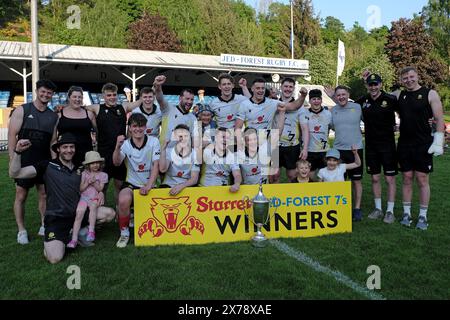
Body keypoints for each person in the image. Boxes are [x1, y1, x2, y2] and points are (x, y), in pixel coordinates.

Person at [9, 133, 115, 263]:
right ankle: (60, 239)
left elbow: (94, 181)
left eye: (72, 147)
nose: (69, 150)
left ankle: (79, 232)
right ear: (58, 149)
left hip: (78, 213)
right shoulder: (47, 165)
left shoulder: (80, 168)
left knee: (109, 214)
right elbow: (14, 173)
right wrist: (17, 152)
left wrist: (101, 192)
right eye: (65, 147)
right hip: (57, 218)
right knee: (55, 258)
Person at [392, 66, 445, 230]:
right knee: (407, 178)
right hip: (404, 144)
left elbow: (439, 118)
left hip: (423, 144)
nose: (409, 80)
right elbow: (378, 97)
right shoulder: (399, 95)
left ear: (417, 76)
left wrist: (438, 140)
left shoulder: (430, 93)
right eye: (405, 78)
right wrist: (367, 83)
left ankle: (423, 216)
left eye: (411, 76)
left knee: (422, 179)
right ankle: (407, 214)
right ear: (401, 80)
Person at [8, 79, 59, 244]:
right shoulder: (23, 110)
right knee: (21, 195)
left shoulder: (53, 116)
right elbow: (11, 136)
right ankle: (21, 230)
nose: (45, 95)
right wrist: (12, 158)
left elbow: (52, 142)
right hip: (24, 160)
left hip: (43, 160)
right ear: (37, 91)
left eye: (49, 93)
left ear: (52, 95)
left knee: (43, 194)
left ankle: (44, 224)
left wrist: (54, 163)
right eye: (43, 91)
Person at [85, 82, 142, 203]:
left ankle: (118, 211)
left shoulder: (123, 107)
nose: (112, 97)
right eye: (109, 95)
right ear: (103, 96)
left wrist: (154, 88)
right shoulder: (97, 108)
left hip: (121, 152)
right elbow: (80, 108)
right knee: (102, 186)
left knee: (119, 185)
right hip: (103, 153)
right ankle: (100, 210)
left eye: (114, 94)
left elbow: (139, 102)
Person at [112, 113, 161, 248]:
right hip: (132, 183)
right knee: (123, 200)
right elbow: (116, 163)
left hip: (149, 183)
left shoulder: (154, 141)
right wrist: (117, 147)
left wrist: (149, 185)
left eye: (141, 126)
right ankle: (124, 232)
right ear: (130, 128)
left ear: (145, 127)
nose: (138, 129)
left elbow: (156, 166)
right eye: (134, 126)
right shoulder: (126, 144)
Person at [357, 73, 398, 224]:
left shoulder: (390, 99)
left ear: (381, 84)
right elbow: (347, 106)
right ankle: (378, 209)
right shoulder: (363, 100)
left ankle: (390, 211)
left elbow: (406, 111)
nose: (373, 87)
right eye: (370, 84)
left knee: (389, 178)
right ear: (367, 86)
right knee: (374, 178)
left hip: (387, 146)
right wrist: (334, 96)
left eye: (376, 84)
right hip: (371, 146)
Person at [330, 86, 365, 221]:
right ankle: (342, 207)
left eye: (343, 94)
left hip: (355, 150)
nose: (341, 97)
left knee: (356, 180)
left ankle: (356, 208)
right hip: (339, 150)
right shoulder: (333, 111)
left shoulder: (357, 107)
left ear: (348, 94)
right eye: (338, 95)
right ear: (336, 97)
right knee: (340, 181)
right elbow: (330, 127)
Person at [270, 77, 309, 183]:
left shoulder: (300, 107)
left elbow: (305, 129)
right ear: (281, 87)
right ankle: (274, 198)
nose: (288, 89)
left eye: (291, 87)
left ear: (293, 89)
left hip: (292, 146)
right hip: (275, 145)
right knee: (274, 176)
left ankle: (289, 198)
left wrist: (305, 148)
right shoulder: (273, 104)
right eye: (286, 86)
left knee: (292, 176)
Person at [68, 151, 108, 248]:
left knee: (94, 207)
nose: (95, 165)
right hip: (84, 198)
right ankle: (74, 239)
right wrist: (87, 182)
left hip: (94, 198)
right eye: (92, 163)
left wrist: (94, 183)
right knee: (79, 213)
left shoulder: (103, 175)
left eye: (97, 163)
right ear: (88, 165)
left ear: (100, 163)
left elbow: (100, 189)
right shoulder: (84, 174)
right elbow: (81, 189)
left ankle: (91, 231)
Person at [56, 86, 97, 167]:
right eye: (74, 97)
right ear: (69, 98)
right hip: (66, 154)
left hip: (86, 154)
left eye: (80, 97)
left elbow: (96, 131)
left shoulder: (89, 114)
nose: (77, 99)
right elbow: (54, 138)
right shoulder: (59, 115)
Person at [299, 89, 332, 181]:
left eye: (318, 99)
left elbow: (334, 128)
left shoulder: (328, 114)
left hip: (324, 151)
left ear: (321, 100)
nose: (316, 101)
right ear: (309, 101)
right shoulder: (304, 114)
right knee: (309, 177)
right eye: (313, 99)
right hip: (309, 151)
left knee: (325, 177)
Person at [159, 124, 201, 195]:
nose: (183, 139)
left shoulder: (196, 154)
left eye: (186, 136)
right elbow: (162, 169)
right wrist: (163, 150)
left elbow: (194, 179)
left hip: (186, 186)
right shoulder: (169, 151)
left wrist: (181, 186)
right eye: (180, 136)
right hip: (168, 185)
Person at [198, 127, 242, 192]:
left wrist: (237, 184)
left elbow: (237, 175)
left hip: (224, 192)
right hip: (204, 189)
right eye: (223, 137)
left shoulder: (232, 156)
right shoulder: (207, 151)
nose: (225, 140)